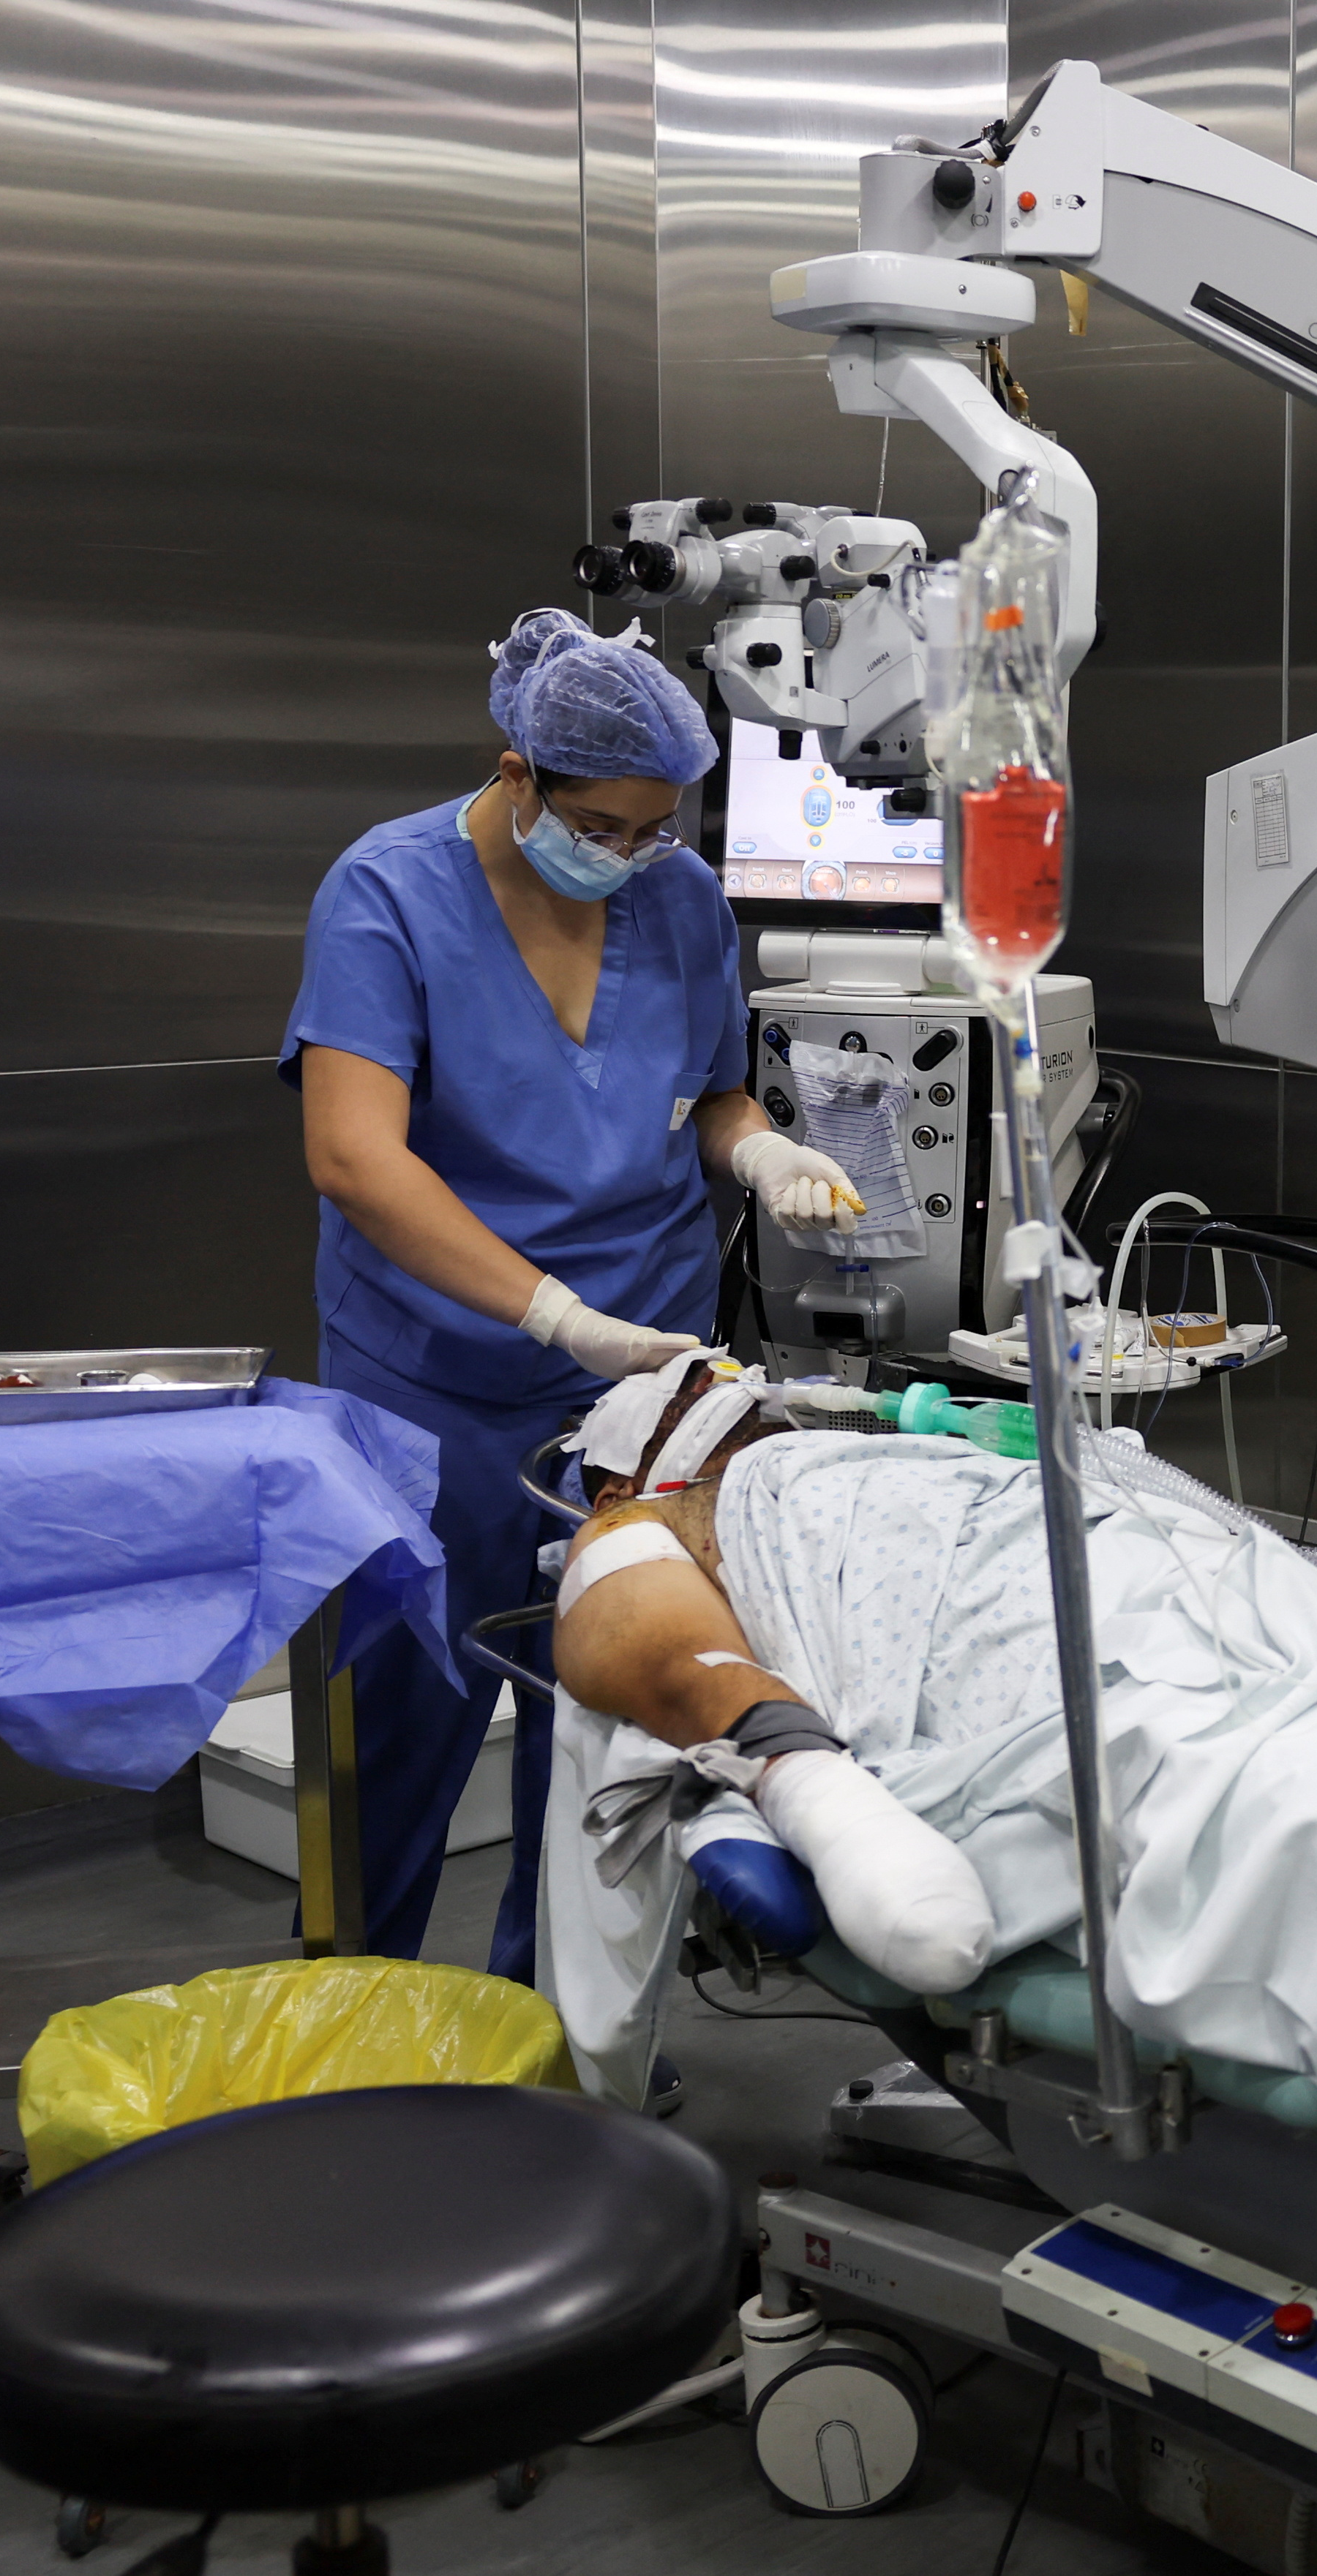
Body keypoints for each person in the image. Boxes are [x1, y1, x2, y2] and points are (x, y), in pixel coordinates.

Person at [281, 611, 860, 1976]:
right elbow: (354, 1157)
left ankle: (565, 2030)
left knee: (609, 1721)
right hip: (440, 1383)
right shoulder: (388, 892)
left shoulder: (678, 894)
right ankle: (348, 2021)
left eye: (657, 828)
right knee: (400, 1717)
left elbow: (707, 1095)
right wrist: (553, 1316)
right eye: (602, 825)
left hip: (648, 1388)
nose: (628, 856)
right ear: (517, 772)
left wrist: (764, 1150)